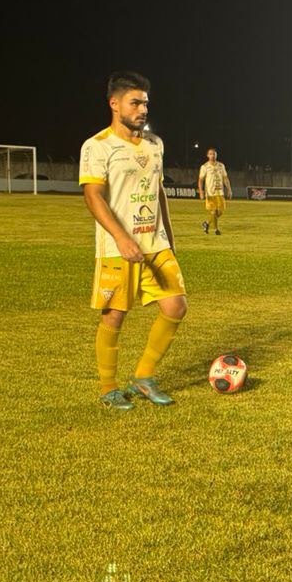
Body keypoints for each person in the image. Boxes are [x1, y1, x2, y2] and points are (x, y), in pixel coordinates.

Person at [80, 71, 186, 411]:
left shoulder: (155, 144)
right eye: (135, 103)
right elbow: (93, 196)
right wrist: (121, 237)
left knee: (176, 306)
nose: (143, 109)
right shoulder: (97, 146)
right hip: (117, 248)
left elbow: (158, 191)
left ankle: (143, 376)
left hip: (155, 243)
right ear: (115, 104)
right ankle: (108, 388)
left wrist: (169, 234)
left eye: (145, 104)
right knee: (114, 316)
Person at [197, 147, 232, 234]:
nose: (212, 155)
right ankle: (216, 230)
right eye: (210, 154)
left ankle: (206, 223)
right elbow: (200, 180)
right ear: (207, 155)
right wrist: (201, 191)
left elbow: (225, 178)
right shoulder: (205, 167)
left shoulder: (221, 166)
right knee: (213, 211)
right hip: (210, 193)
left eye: (214, 154)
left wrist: (229, 189)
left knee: (220, 212)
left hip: (220, 193)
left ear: (216, 155)